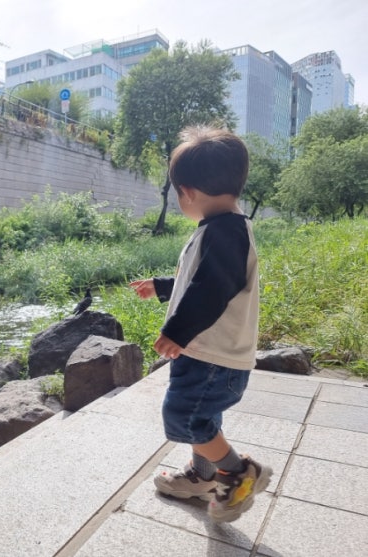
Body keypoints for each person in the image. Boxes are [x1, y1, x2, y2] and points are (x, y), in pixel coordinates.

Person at [130, 125, 272, 523]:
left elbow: (211, 289)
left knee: (183, 416)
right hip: (210, 352)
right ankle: (202, 476)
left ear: (187, 192)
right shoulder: (222, 228)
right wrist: (161, 287)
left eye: (178, 195)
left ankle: (237, 471)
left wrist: (176, 331)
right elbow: (205, 281)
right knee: (202, 417)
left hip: (212, 354)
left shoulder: (224, 230)